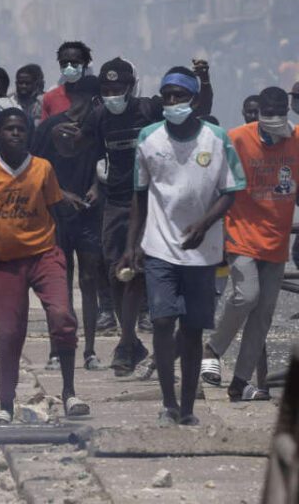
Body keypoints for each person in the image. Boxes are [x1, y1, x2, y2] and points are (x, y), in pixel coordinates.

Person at [119, 68, 245, 427]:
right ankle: (168, 402)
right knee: (161, 320)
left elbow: (232, 190)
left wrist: (204, 224)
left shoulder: (216, 139)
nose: (171, 102)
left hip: (203, 252)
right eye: (166, 95)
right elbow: (139, 198)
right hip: (160, 247)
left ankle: (188, 408)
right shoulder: (149, 138)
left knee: (191, 330)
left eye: (178, 95)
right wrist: (132, 245)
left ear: (192, 99)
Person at [86, 57, 212, 377]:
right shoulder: (100, 116)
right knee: (117, 273)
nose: (112, 94)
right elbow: (90, 154)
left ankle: (131, 344)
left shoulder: (149, 110)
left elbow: (196, 110)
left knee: (141, 271)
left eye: (118, 88)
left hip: (151, 201)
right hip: (115, 201)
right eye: (107, 89)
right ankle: (130, 341)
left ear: (131, 87)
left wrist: (203, 80)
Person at [0, 108, 89, 423]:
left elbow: (57, 211)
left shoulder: (43, 169)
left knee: (62, 316)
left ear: (28, 133)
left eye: (21, 129)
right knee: (8, 333)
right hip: (6, 263)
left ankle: (69, 392)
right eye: (9, 129)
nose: (16, 134)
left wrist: (69, 255)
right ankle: (6, 403)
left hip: (44, 255)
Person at [201, 86, 297, 401]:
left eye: (277, 116)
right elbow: (215, 183)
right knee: (245, 296)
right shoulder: (237, 139)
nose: (272, 122)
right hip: (242, 233)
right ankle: (213, 348)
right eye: (266, 116)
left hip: (277, 239)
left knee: (264, 315)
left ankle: (240, 383)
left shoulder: (296, 141)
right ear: (258, 115)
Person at [32, 76, 111, 370]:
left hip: (88, 214)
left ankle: (89, 350)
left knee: (89, 280)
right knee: (60, 285)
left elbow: (102, 163)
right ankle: (58, 349)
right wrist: (60, 193)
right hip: (57, 216)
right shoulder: (51, 128)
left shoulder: (98, 130)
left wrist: (95, 187)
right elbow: (34, 168)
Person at [41, 41, 93, 121]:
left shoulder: (96, 95)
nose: (69, 67)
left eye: (74, 63)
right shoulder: (50, 97)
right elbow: (43, 129)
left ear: (84, 64)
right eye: (64, 63)